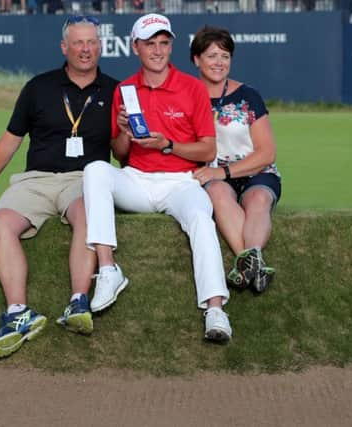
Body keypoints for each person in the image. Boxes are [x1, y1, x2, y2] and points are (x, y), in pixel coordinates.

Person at [0, 15, 118, 358]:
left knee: (88, 218)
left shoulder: (115, 91)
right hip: (36, 179)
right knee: (0, 223)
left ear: (100, 46)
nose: (86, 49)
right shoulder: (39, 87)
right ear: (65, 47)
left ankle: (78, 302)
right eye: (78, 42)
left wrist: (127, 135)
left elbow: (122, 153)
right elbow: (10, 140)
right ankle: (18, 314)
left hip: (84, 178)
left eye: (91, 42)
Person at [83, 13, 232, 343]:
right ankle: (108, 269)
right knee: (95, 169)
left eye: (164, 43)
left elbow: (208, 148)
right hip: (136, 178)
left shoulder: (191, 87)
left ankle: (216, 309)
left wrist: (167, 145)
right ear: (135, 47)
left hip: (180, 182)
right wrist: (121, 130)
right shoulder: (124, 89)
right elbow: (121, 153)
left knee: (201, 218)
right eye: (150, 44)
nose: (158, 50)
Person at [190, 26, 282, 294]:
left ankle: (246, 262)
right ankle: (252, 262)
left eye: (225, 56)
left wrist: (225, 171)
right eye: (212, 55)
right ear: (197, 59)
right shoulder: (186, 95)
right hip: (212, 177)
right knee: (218, 194)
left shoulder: (248, 96)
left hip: (255, 171)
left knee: (258, 200)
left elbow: (267, 152)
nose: (219, 62)